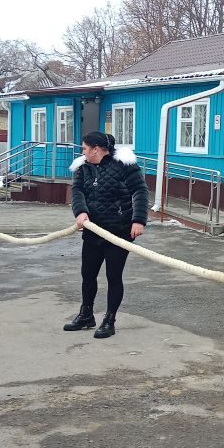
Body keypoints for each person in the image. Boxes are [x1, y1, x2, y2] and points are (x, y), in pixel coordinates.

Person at [63, 132, 149, 339]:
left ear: (96, 148)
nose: (82, 151)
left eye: (84, 148)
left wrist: (138, 220)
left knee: (113, 276)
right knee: (88, 274)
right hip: (93, 231)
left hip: (119, 231)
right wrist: (80, 212)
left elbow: (140, 191)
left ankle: (109, 319)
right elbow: (77, 192)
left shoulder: (125, 166)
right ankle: (86, 314)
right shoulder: (83, 168)